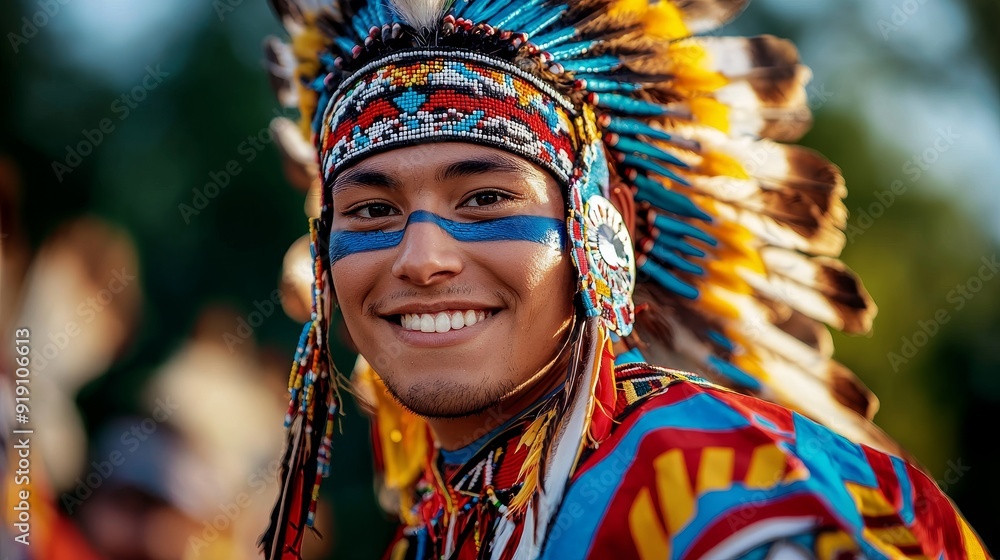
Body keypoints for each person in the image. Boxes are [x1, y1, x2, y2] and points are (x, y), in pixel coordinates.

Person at [257, 0, 990, 558]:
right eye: (373, 209)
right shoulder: (440, 531)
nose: (420, 259)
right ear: (324, 257)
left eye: (484, 198)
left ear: (601, 224)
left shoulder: (727, 488)